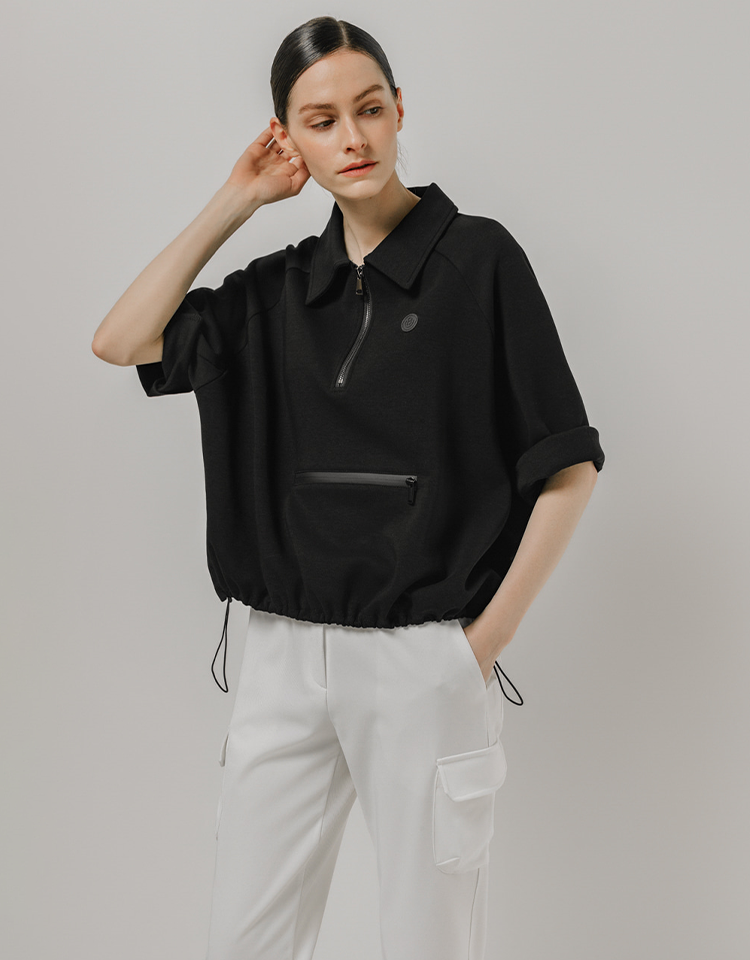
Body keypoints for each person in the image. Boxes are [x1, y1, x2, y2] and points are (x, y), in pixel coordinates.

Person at [92, 15, 605, 960]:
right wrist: (237, 199)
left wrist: (480, 645)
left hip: (423, 656)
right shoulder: (277, 289)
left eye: (369, 110)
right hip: (278, 655)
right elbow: (121, 340)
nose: (354, 139)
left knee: (426, 939)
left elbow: (567, 467)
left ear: (400, 109)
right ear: (288, 137)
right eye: (321, 121)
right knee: (244, 939)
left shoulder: (479, 260)